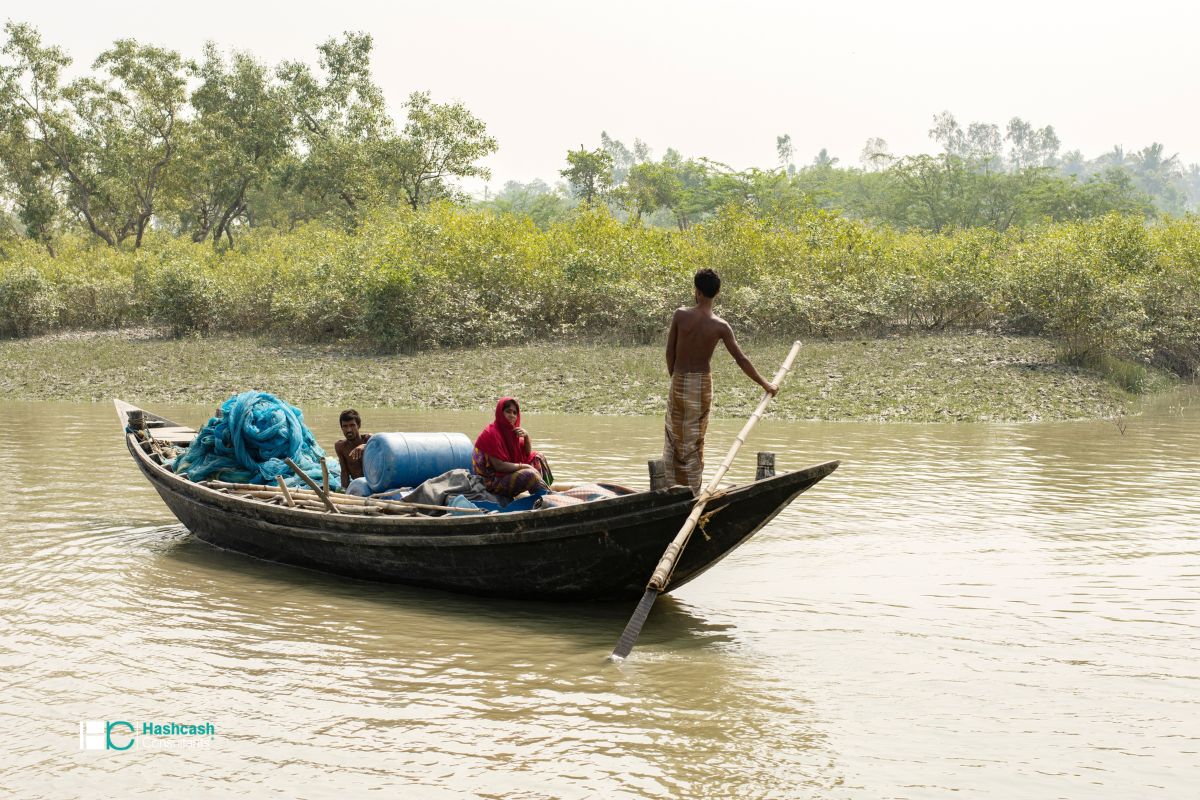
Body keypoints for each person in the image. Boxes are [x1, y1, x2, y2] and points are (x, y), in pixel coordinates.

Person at [663, 268, 778, 493]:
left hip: (679, 380)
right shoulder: (720, 325)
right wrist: (766, 384)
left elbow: (670, 353)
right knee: (696, 438)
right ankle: (693, 489)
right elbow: (741, 359)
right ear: (717, 293)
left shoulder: (681, 315)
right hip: (702, 385)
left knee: (675, 435)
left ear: (697, 292)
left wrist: (676, 379)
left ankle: (674, 487)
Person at [472, 397, 554, 497]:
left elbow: (527, 454)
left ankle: (545, 491)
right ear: (500, 413)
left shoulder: (510, 432)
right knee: (529, 475)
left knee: (538, 457)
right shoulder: (490, 433)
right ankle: (544, 497)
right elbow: (499, 466)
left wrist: (526, 436)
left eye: (515, 413)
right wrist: (525, 466)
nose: (512, 416)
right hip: (490, 482)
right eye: (508, 412)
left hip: (502, 475)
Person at [334, 409, 372, 487]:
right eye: (345, 426)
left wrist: (365, 446)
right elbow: (344, 473)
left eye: (352, 425)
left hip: (376, 484)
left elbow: (383, 442)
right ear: (341, 427)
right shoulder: (340, 446)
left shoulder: (369, 440)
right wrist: (344, 491)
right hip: (360, 486)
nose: (349, 430)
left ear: (358, 425)